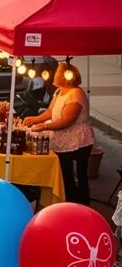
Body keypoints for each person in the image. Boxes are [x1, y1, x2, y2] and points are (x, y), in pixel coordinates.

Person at [25, 61, 95, 204]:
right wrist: (35, 119)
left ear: (66, 76)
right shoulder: (59, 91)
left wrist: (45, 126)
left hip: (78, 141)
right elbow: (51, 112)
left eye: (57, 73)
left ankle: (81, 202)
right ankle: (67, 199)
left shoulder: (76, 94)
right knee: (64, 172)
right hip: (61, 139)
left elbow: (66, 121)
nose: (54, 75)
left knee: (78, 174)